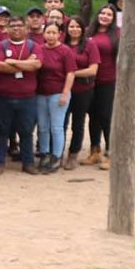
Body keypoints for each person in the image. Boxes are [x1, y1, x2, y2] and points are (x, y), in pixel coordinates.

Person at [0, 16, 41, 175]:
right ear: (8, 29)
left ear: (26, 28)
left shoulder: (33, 46)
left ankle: (28, 163)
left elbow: (37, 64)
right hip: (3, 96)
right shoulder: (0, 46)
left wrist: (11, 61)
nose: (16, 28)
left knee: (26, 131)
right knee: (1, 131)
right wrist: (26, 63)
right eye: (13, 26)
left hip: (27, 97)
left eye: (20, 25)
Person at [34, 22, 77, 175]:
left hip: (58, 93)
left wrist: (65, 93)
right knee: (43, 126)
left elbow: (70, 73)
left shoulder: (65, 51)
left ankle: (56, 156)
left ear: (59, 34)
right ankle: (44, 154)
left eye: (54, 33)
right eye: (48, 32)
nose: (51, 35)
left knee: (56, 127)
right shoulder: (39, 49)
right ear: (44, 34)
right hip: (41, 94)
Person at [64, 17, 101, 168]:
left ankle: (73, 154)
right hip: (63, 90)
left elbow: (93, 70)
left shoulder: (89, 45)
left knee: (78, 123)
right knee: (61, 123)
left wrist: (71, 73)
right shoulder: (62, 44)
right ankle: (57, 153)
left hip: (83, 90)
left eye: (77, 26)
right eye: (71, 26)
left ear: (83, 29)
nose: (74, 29)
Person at [85, 5, 119, 168]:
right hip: (90, 80)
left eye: (109, 14)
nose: (104, 16)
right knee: (93, 116)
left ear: (113, 18)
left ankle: (112, 153)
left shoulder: (118, 33)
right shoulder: (88, 32)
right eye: (102, 13)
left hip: (108, 79)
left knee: (106, 116)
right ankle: (95, 151)